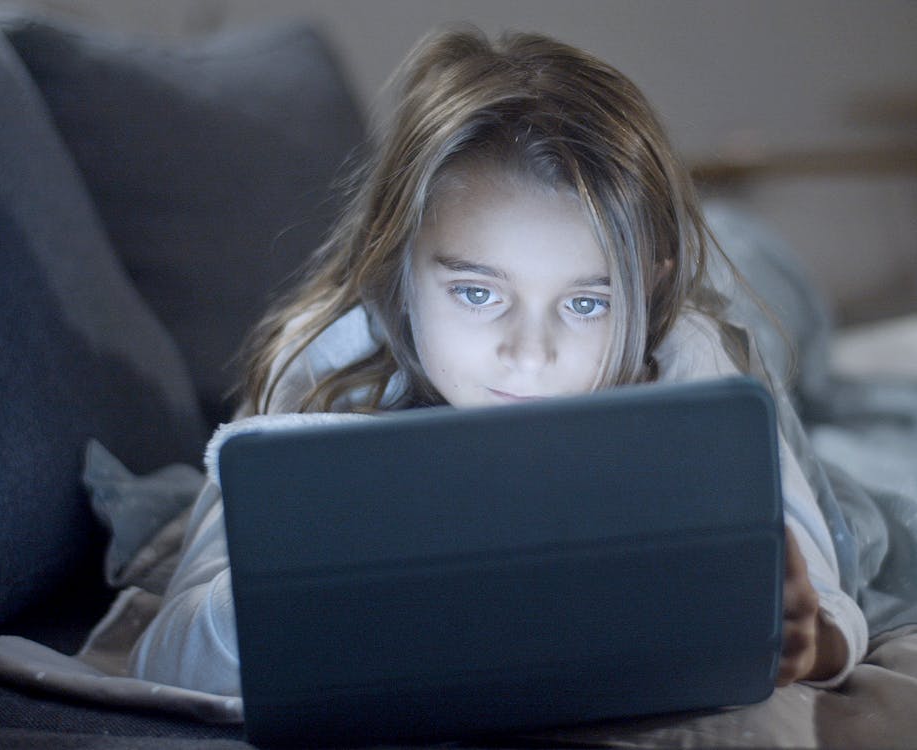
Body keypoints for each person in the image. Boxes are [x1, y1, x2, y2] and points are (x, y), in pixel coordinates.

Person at [130, 26, 867, 697]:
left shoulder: (683, 359)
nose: (529, 352)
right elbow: (163, 655)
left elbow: (822, 599)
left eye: (585, 303)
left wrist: (806, 642)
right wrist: (321, 584)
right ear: (396, 267)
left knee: (763, 291)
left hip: (719, 293)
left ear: (649, 289)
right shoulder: (333, 365)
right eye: (477, 293)